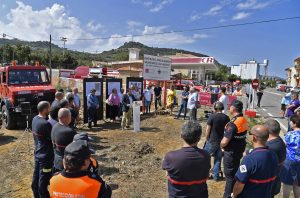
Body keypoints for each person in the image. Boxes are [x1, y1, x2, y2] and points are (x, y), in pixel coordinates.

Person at [162, 121, 210, 198]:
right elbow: (206, 174)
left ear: (181, 135)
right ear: (199, 138)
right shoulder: (206, 155)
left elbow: (167, 172)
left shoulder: (171, 156)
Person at [233, 125, 279, 198]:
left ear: (254, 137)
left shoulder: (249, 159)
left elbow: (240, 184)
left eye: (250, 134)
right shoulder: (274, 155)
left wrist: (234, 195)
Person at [220, 100, 248, 198]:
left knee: (229, 176)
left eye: (230, 106)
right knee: (235, 172)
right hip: (238, 150)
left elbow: (224, 141)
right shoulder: (243, 119)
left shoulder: (232, 124)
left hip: (231, 152)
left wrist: (221, 146)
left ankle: (228, 195)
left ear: (234, 108)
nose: (229, 107)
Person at [31, 101, 53, 198]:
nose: (50, 109)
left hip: (37, 154)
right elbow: (53, 138)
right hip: (46, 158)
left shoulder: (35, 119)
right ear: (45, 110)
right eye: (49, 108)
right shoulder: (46, 124)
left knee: (35, 183)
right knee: (43, 185)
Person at [204, 102, 230, 181]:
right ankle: (216, 176)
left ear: (215, 108)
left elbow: (208, 129)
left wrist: (206, 138)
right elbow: (227, 131)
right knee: (218, 160)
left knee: (207, 158)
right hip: (221, 142)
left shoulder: (212, 117)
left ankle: (207, 175)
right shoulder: (226, 118)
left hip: (211, 141)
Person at [264, 119, 286, 196]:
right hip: (274, 178)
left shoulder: (270, 147)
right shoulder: (279, 141)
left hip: (267, 182)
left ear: (267, 131)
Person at [51, 108, 77, 173]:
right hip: (66, 164)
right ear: (65, 118)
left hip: (56, 160)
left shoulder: (55, 126)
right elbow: (76, 148)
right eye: (70, 116)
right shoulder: (69, 132)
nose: (71, 118)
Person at [281, 114, 300, 198]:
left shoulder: (290, 134)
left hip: (290, 160)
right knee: (297, 182)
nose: (290, 123)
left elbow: (284, 145)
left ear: (295, 123)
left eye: (291, 122)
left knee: (287, 182)